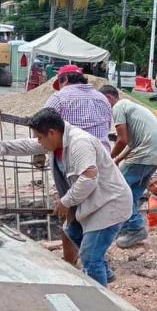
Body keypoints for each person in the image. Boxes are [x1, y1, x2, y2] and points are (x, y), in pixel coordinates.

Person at [0, 108, 131, 286]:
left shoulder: (79, 144)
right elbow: (28, 145)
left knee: (90, 256)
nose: (38, 142)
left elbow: (89, 179)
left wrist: (66, 201)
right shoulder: (56, 141)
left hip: (110, 203)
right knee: (73, 231)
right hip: (94, 202)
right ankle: (103, 274)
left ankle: (101, 303)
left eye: (40, 137)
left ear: (51, 133)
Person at [45, 64, 114, 264]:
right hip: (102, 163)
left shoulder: (59, 98)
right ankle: (96, 258)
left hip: (73, 164)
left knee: (71, 212)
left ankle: (71, 263)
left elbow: (44, 127)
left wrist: (39, 154)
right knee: (97, 213)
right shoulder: (102, 98)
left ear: (63, 80)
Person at [98, 85, 157, 248]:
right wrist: (118, 159)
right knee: (132, 196)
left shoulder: (119, 107)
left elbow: (122, 139)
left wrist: (109, 157)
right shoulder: (132, 107)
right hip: (155, 155)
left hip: (143, 155)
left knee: (117, 191)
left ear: (109, 98)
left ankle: (135, 228)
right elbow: (132, 142)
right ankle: (129, 230)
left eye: (102, 102)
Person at [45, 65, 113, 152]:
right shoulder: (102, 98)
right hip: (103, 156)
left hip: (75, 157)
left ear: (65, 79)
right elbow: (107, 127)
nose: (60, 89)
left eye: (59, 84)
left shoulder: (58, 98)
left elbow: (42, 126)